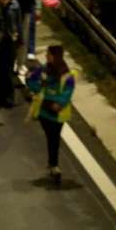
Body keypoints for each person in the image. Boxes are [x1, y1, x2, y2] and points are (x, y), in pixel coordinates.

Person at [27, 45, 76, 184]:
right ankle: (53, 164)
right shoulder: (43, 69)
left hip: (58, 112)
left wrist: (59, 103)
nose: (46, 56)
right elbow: (30, 80)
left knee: (54, 137)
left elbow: (68, 90)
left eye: (49, 54)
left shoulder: (66, 74)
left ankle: (53, 164)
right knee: (51, 136)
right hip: (44, 109)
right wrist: (38, 88)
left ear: (56, 56)